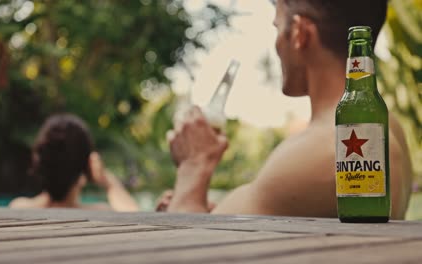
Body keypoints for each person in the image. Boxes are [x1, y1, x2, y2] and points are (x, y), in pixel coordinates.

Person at [164, 0, 413, 219]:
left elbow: (185, 249)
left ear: (298, 33)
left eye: (276, 27)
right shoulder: (388, 127)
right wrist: (199, 206)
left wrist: (193, 167)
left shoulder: (322, 148)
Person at [9, 113, 139, 211]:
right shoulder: (99, 213)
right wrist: (108, 182)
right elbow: (138, 219)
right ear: (87, 167)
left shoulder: (19, 208)